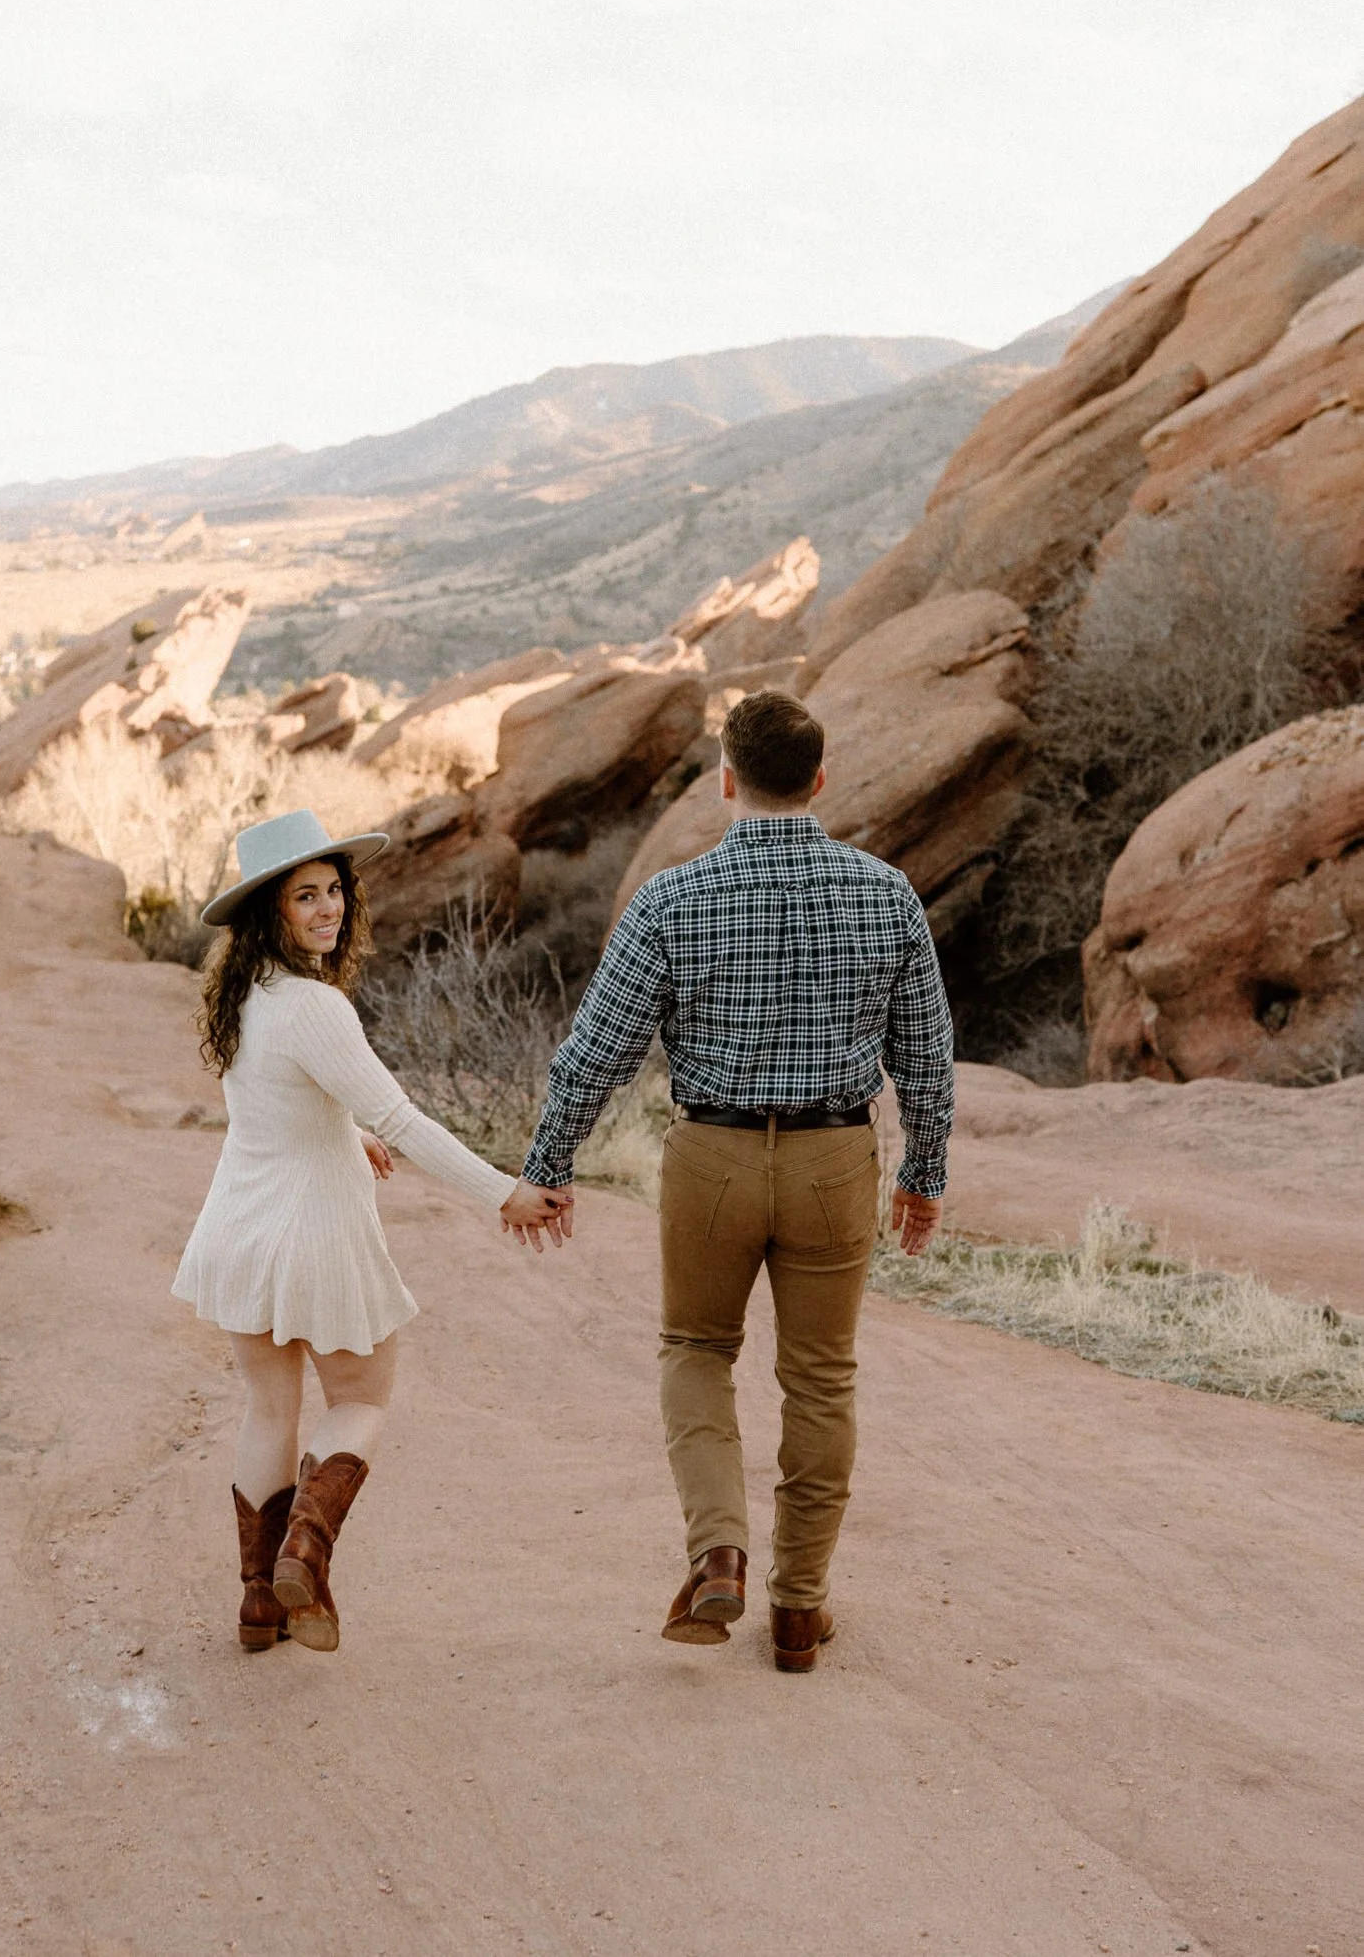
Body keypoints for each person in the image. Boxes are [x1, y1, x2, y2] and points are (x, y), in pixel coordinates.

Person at [512, 689, 954, 1673]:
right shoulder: (884, 895)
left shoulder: (670, 901)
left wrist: (548, 1167)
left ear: (725, 779)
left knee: (695, 1348)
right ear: (819, 779)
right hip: (834, 1160)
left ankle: (719, 1551)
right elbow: (924, 1059)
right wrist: (922, 1175)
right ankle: (799, 1609)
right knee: (820, 1379)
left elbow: (593, 1057)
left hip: (709, 1158)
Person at [172, 808, 565, 1654]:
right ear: (265, 913)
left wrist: (343, 1132)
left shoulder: (244, 995)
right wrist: (503, 1192)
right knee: (359, 1399)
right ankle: (303, 1560)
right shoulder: (315, 1005)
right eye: (303, 897)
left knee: (269, 1409)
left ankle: (257, 1603)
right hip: (310, 1233)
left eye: (333, 893)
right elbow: (405, 1117)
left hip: (239, 1227)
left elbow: (269, 1102)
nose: (327, 911)